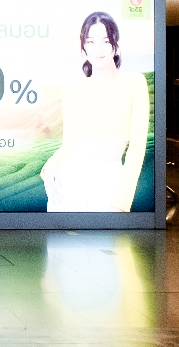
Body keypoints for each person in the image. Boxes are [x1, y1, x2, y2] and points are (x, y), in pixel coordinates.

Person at [40, 11, 150, 212]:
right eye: (90, 42)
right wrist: (49, 169)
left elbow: (137, 148)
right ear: (83, 47)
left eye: (105, 41)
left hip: (110, 180)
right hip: (68, 181)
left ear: (116, 45)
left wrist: (122, 202)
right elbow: (68, 144)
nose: (98, 49)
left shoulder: (134, 83)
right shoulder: (73, 90)